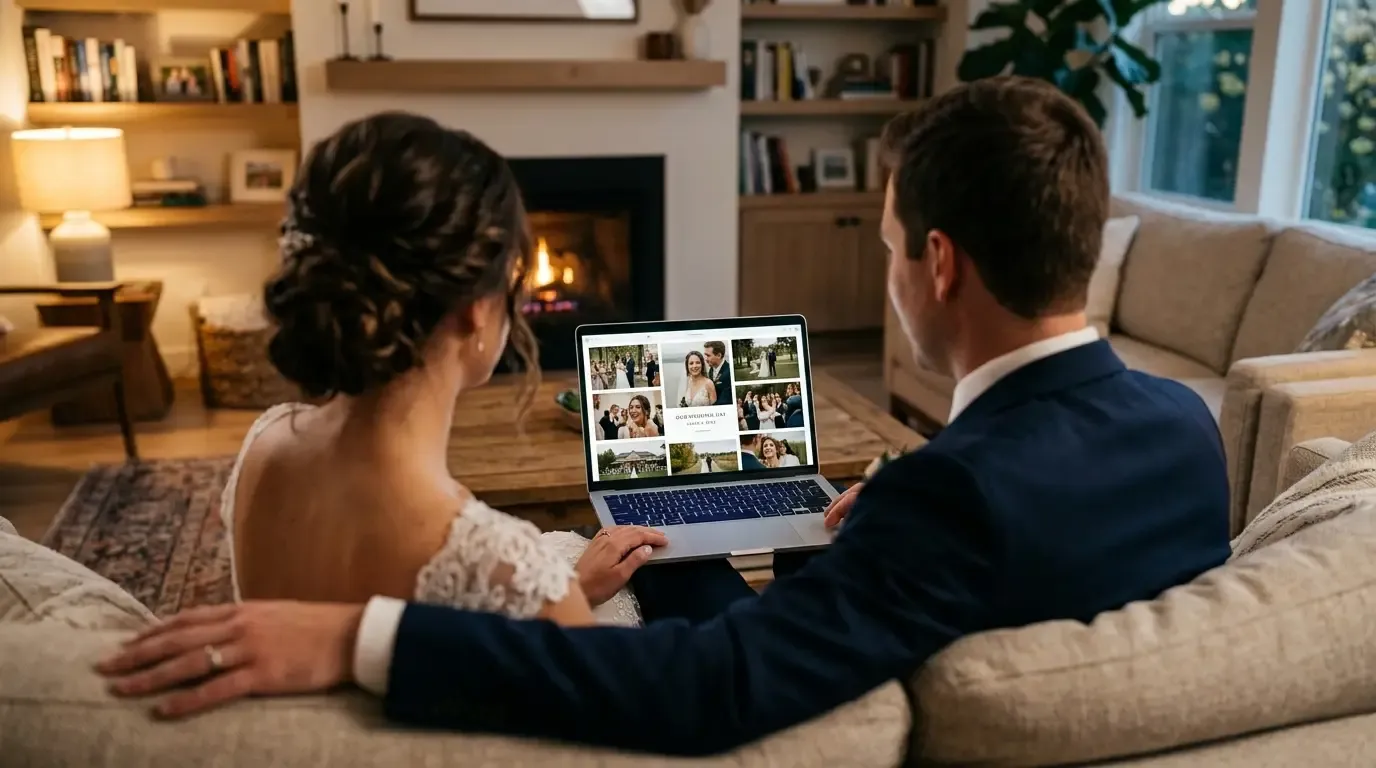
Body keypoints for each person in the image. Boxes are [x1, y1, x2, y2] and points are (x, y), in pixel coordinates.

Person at [98, 77, 1232, 757]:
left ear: (937, 262)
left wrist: (356, 634)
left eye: (886, 247)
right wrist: (842, 547)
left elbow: (715, 686)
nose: (888, 272)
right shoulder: (1185, 431)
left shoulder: (952, 499)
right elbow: (942, 584)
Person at [210, 112, 666, 630]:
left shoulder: (264, 442)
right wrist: (562, 597)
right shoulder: (501, 564)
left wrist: (568, 588)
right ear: (476, 307)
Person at [704, 341, 732, 406]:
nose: (706, 359)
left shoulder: (729, 373)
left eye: (708, 355)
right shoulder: (711, 370)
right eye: (705, 355)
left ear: (719, 355)